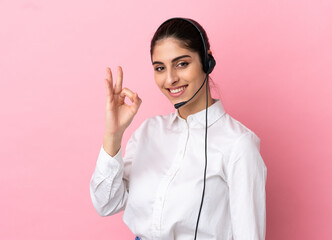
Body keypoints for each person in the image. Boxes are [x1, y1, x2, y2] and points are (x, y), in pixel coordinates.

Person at [90, 17, 267, 240]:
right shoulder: (148, 132)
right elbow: (106, 204)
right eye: (160, 68)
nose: (171, 79)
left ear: (206, 61)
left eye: (182, 64)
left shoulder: (238, 144)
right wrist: (113, 135)